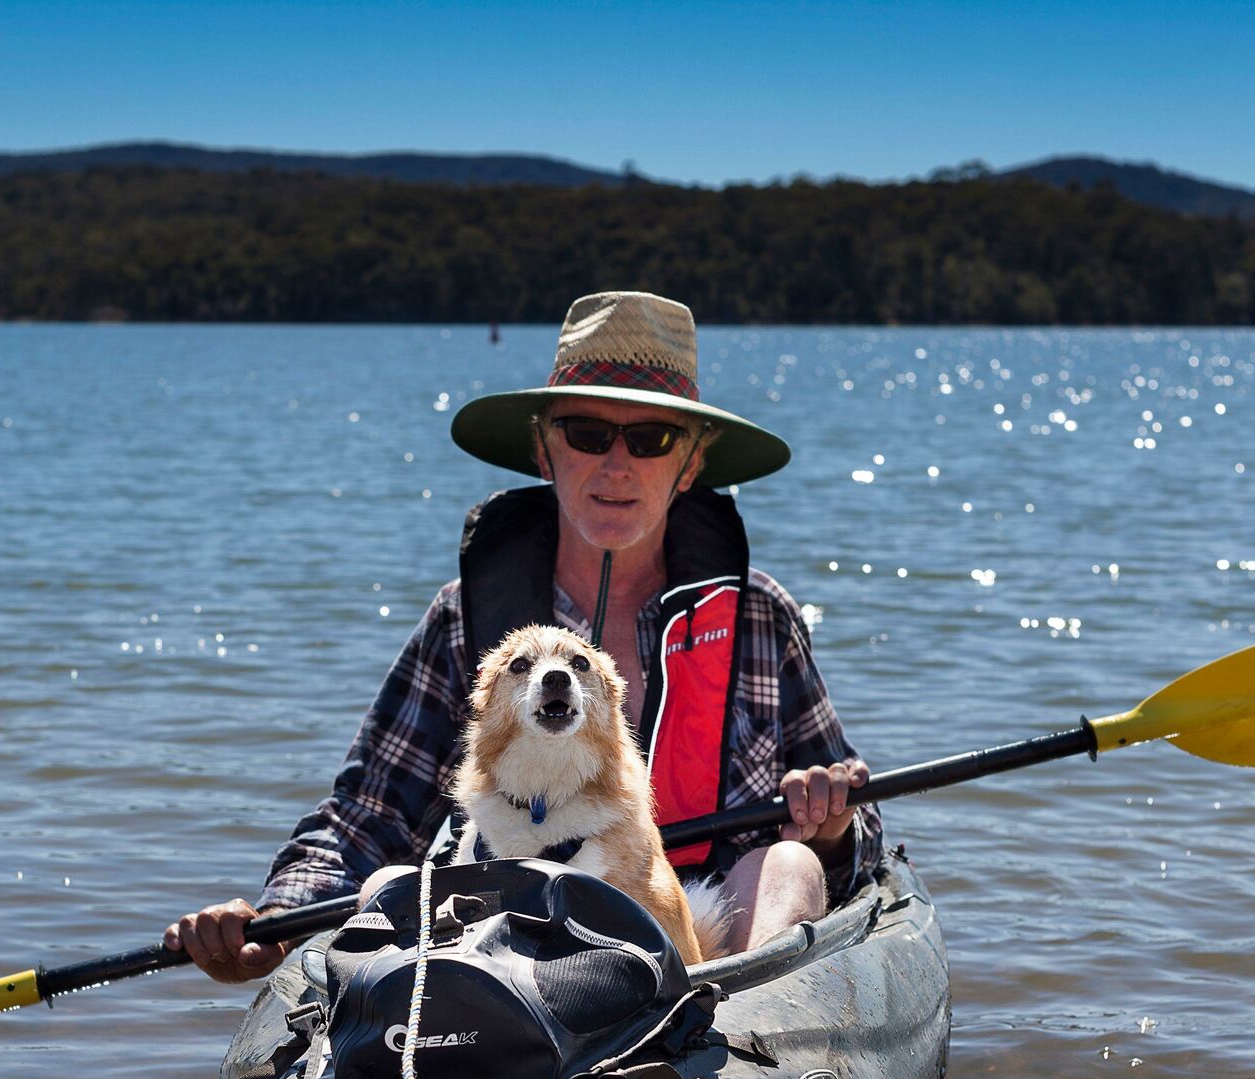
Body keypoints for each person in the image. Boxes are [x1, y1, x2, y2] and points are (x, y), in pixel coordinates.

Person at [167, 291, 878, 982]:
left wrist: (831, 820)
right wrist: (274, 920)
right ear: (544, 449)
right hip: (509, 941)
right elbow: (370, 815)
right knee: (386, 883)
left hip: (708, 945)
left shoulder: (760, 616)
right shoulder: (463, 622)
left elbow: (863, 837)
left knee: (790, 865)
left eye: (652, 439)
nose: (617, 465)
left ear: (691, 462)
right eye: (587, 434)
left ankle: (737, 1053)